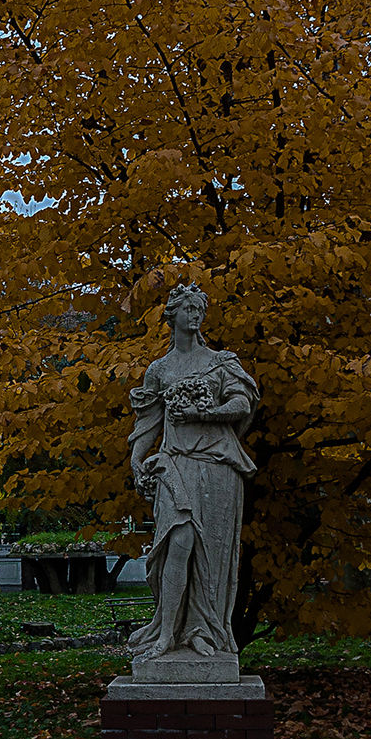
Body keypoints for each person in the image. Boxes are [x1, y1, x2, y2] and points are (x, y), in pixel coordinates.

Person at [127, 283, 259, 666]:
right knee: (178, 540)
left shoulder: (220, 362)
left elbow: (241, 403)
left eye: (200, 309)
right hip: (176, 464)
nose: (195, 316)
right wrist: (137, 462)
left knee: (211, 553)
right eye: (188, 309)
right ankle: (166, 632)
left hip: (217, 467)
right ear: (172, 315)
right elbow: (148, 423)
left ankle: (201, 631)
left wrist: (204, 414)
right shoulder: (160, 369)